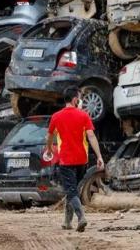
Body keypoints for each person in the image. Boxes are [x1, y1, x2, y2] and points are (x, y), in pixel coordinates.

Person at [45, 86, 104, 232]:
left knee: (71, 191)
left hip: (66, 161)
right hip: (82, 160)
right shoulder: (84, 116)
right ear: (75, 99)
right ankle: (67, 222)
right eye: (80, 98)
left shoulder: (56, 117)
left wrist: (48, 148)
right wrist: (99, 156)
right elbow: (91, 136)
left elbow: (49, 136)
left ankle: (81, 217)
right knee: (73, 191)